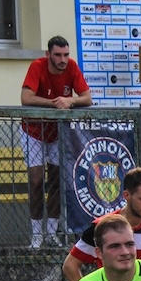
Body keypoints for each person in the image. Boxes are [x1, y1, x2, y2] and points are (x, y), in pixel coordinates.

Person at [20, 35, 92, 248]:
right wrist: (55, 103)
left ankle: (51, 233)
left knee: (56, 181)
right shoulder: (37, 66)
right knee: (35, 181)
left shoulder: (72, 67)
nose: (63, 59)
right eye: (58, 55)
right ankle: (36, 234)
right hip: (33, 130)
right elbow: (26, 98)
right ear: (48, 55)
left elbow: (87, 97)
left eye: (66, 55)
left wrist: (71, 100)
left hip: (58, 132)